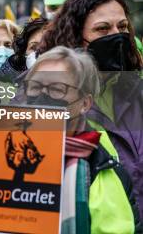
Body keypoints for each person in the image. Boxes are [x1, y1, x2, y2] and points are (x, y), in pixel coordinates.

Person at [37, 0, 143, 216]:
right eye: (102, 29)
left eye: (123, 27)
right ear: (75, 38)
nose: (117, 36)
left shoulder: (137, 94)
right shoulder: (48, 100)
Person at [22, 46, 141, 233]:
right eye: (35, 87)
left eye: (57, 89)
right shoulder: (1, 151)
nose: (42, 96)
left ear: (85, 103)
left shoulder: (100, 171)